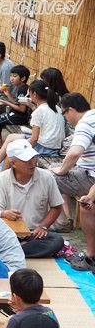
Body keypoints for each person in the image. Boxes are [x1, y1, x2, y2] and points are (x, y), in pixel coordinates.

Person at [0, 139, 65, 258]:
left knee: (57, 240)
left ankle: (13, 251)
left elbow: (57, 207)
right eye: (27, 160)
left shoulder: (47, 177)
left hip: (34, 233)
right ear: (13, 163)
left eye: (34, 158)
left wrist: (43, 226)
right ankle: (19, 249)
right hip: (9, 232)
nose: (32, 163)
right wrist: (5, 213)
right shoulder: (1, 180)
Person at [0, 79, 63, 171]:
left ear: (34, 94)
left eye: (29, 93)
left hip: (45, 148)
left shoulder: (40, 111)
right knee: (11, 138)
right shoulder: (56, 108)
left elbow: (34, 139)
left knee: (12, 148)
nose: (28, 95)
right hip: (54, 146)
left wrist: (20, 147)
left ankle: (0, 172)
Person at [51, 93, 95, 239]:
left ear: (70, 110)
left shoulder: (85, 123)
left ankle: (62, 222)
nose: (66, 118)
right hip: (87, 172)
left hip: (91, 177)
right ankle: (67, 217)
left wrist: (62, 170)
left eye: (64, 114)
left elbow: (75, 153)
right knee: (56, 167)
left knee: (48, 177)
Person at [0, 65, 31, 156]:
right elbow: (17, 103)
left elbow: (22, 109)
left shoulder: (23, 89)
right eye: (11, 75)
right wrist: (8, 95)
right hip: (16, 115)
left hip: (17, 117)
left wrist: (6, 103)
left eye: (15, 76)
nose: (11, 78)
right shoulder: (22, 87)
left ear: (23, 78)